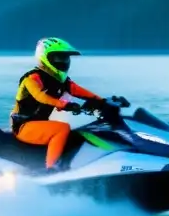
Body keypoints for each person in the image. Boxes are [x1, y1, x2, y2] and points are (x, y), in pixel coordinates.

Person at [10, 37, 127, 169]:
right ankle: (52, 169)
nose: (63, 61)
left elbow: (82, 92)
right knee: (62, 128)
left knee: (80, 132)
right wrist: (64, 104)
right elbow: (41, 97)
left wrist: (105, 101)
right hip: (23, 126)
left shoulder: (63, 81)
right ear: (45, 58)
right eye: (59, 57)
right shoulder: (32, 78)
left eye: (65, 58)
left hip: (40, 124)